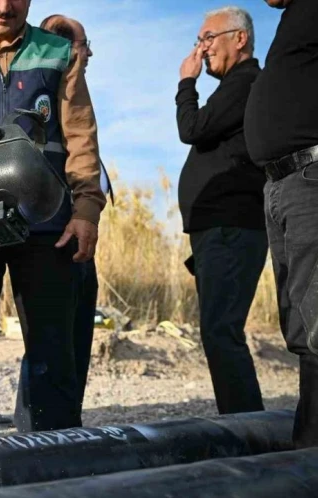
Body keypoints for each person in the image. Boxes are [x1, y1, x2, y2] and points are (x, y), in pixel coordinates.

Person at [0, 0, 105, 437]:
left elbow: (80, 136)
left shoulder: (58, 53)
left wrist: (86, 210)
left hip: (46, 224)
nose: (3, 6)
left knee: (53, 349)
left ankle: (55, 451)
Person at [172, 6, 268, 415]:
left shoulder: (245, 82)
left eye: (208, 38)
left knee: (220, 331)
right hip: (221, 229)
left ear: (239, 39)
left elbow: (191, 129)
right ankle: (244, 424)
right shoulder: (237, 86)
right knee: (218, 331)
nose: (202, 48)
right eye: (199, 41)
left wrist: (185, 83)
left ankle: (248, 432)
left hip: (231, 227)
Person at [245, 0, 318, 448]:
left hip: (310, 177)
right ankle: (306, 446)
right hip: (282, 183)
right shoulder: (296, 16)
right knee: (300, 329)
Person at [39, 13, 114, 408]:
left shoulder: (75, 96)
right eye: (85, 46)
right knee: (56, 343)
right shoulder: (50, 94)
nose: (88, 54)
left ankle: (63, 419)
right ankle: (47, 429)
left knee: (72, 338)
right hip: (58, 232)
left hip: (79, 227)